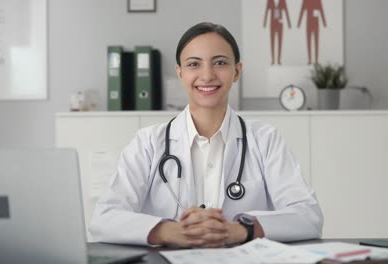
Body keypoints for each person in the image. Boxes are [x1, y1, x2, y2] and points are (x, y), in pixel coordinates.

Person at [89, 22, 323, 248]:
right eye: (194, 64)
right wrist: (170, 231)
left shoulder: (265, 140)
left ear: (236, 71)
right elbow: (103, 218)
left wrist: (240, 230)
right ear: (180, 73)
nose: (207, 75)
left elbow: (308, 215)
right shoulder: (148, 142)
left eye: (220, 63)